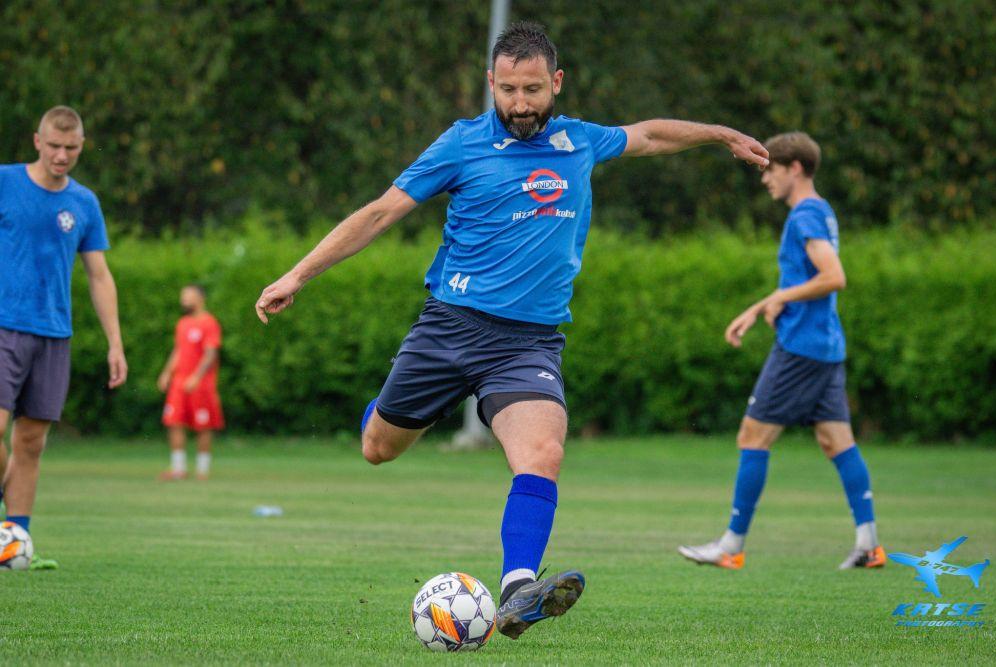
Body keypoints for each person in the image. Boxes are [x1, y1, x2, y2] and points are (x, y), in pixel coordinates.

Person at [256, 21, 768, 639]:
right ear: (490, 85)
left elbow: (652, 135)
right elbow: (380, 213)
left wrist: (720, 135)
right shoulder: (461, 144)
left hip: (528, 343)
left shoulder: (580, 141)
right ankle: (386, 404)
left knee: (543, 453)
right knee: (378, 449)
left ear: (555, 82)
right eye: (507, 90)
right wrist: (298, 275)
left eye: (531, 89)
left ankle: (519, 586)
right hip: (448, 328)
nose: (519, 104)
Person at [678, 132, 884, 571]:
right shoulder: (822, 212)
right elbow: (806, 281)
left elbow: (833, 276)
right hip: (825, 345)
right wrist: (761, 307)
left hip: (800, 349)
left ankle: (731, 545)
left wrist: (781, 301)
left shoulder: (803, 216)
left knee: (752, 436)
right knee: (835, 441)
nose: (764, 179)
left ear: (794, 169)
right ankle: (869, 545)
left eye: (769, 169)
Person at [0, 106, 128, 569]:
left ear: (81, 147)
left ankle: (17, 539)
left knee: (31, 441)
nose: (61, 155)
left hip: (54, 333)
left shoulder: (84, 203)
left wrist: (115, 342)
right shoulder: (5, 182)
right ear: (37, 140)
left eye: (70, 148)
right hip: (3, 326)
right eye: (54, 146)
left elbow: (99, 276)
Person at [157, 284, 224, 480]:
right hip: (179, 384)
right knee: (174, 422)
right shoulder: (183, 323)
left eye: (188, 296)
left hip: (201, 385)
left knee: (203, 426)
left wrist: (196, 377)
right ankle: (179, 469)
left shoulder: (209, 323)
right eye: (182, 296)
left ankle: (203, 470)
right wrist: (166, 373)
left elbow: (210, 354)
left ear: (200, 298)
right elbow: (178, 350)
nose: (183, 300)